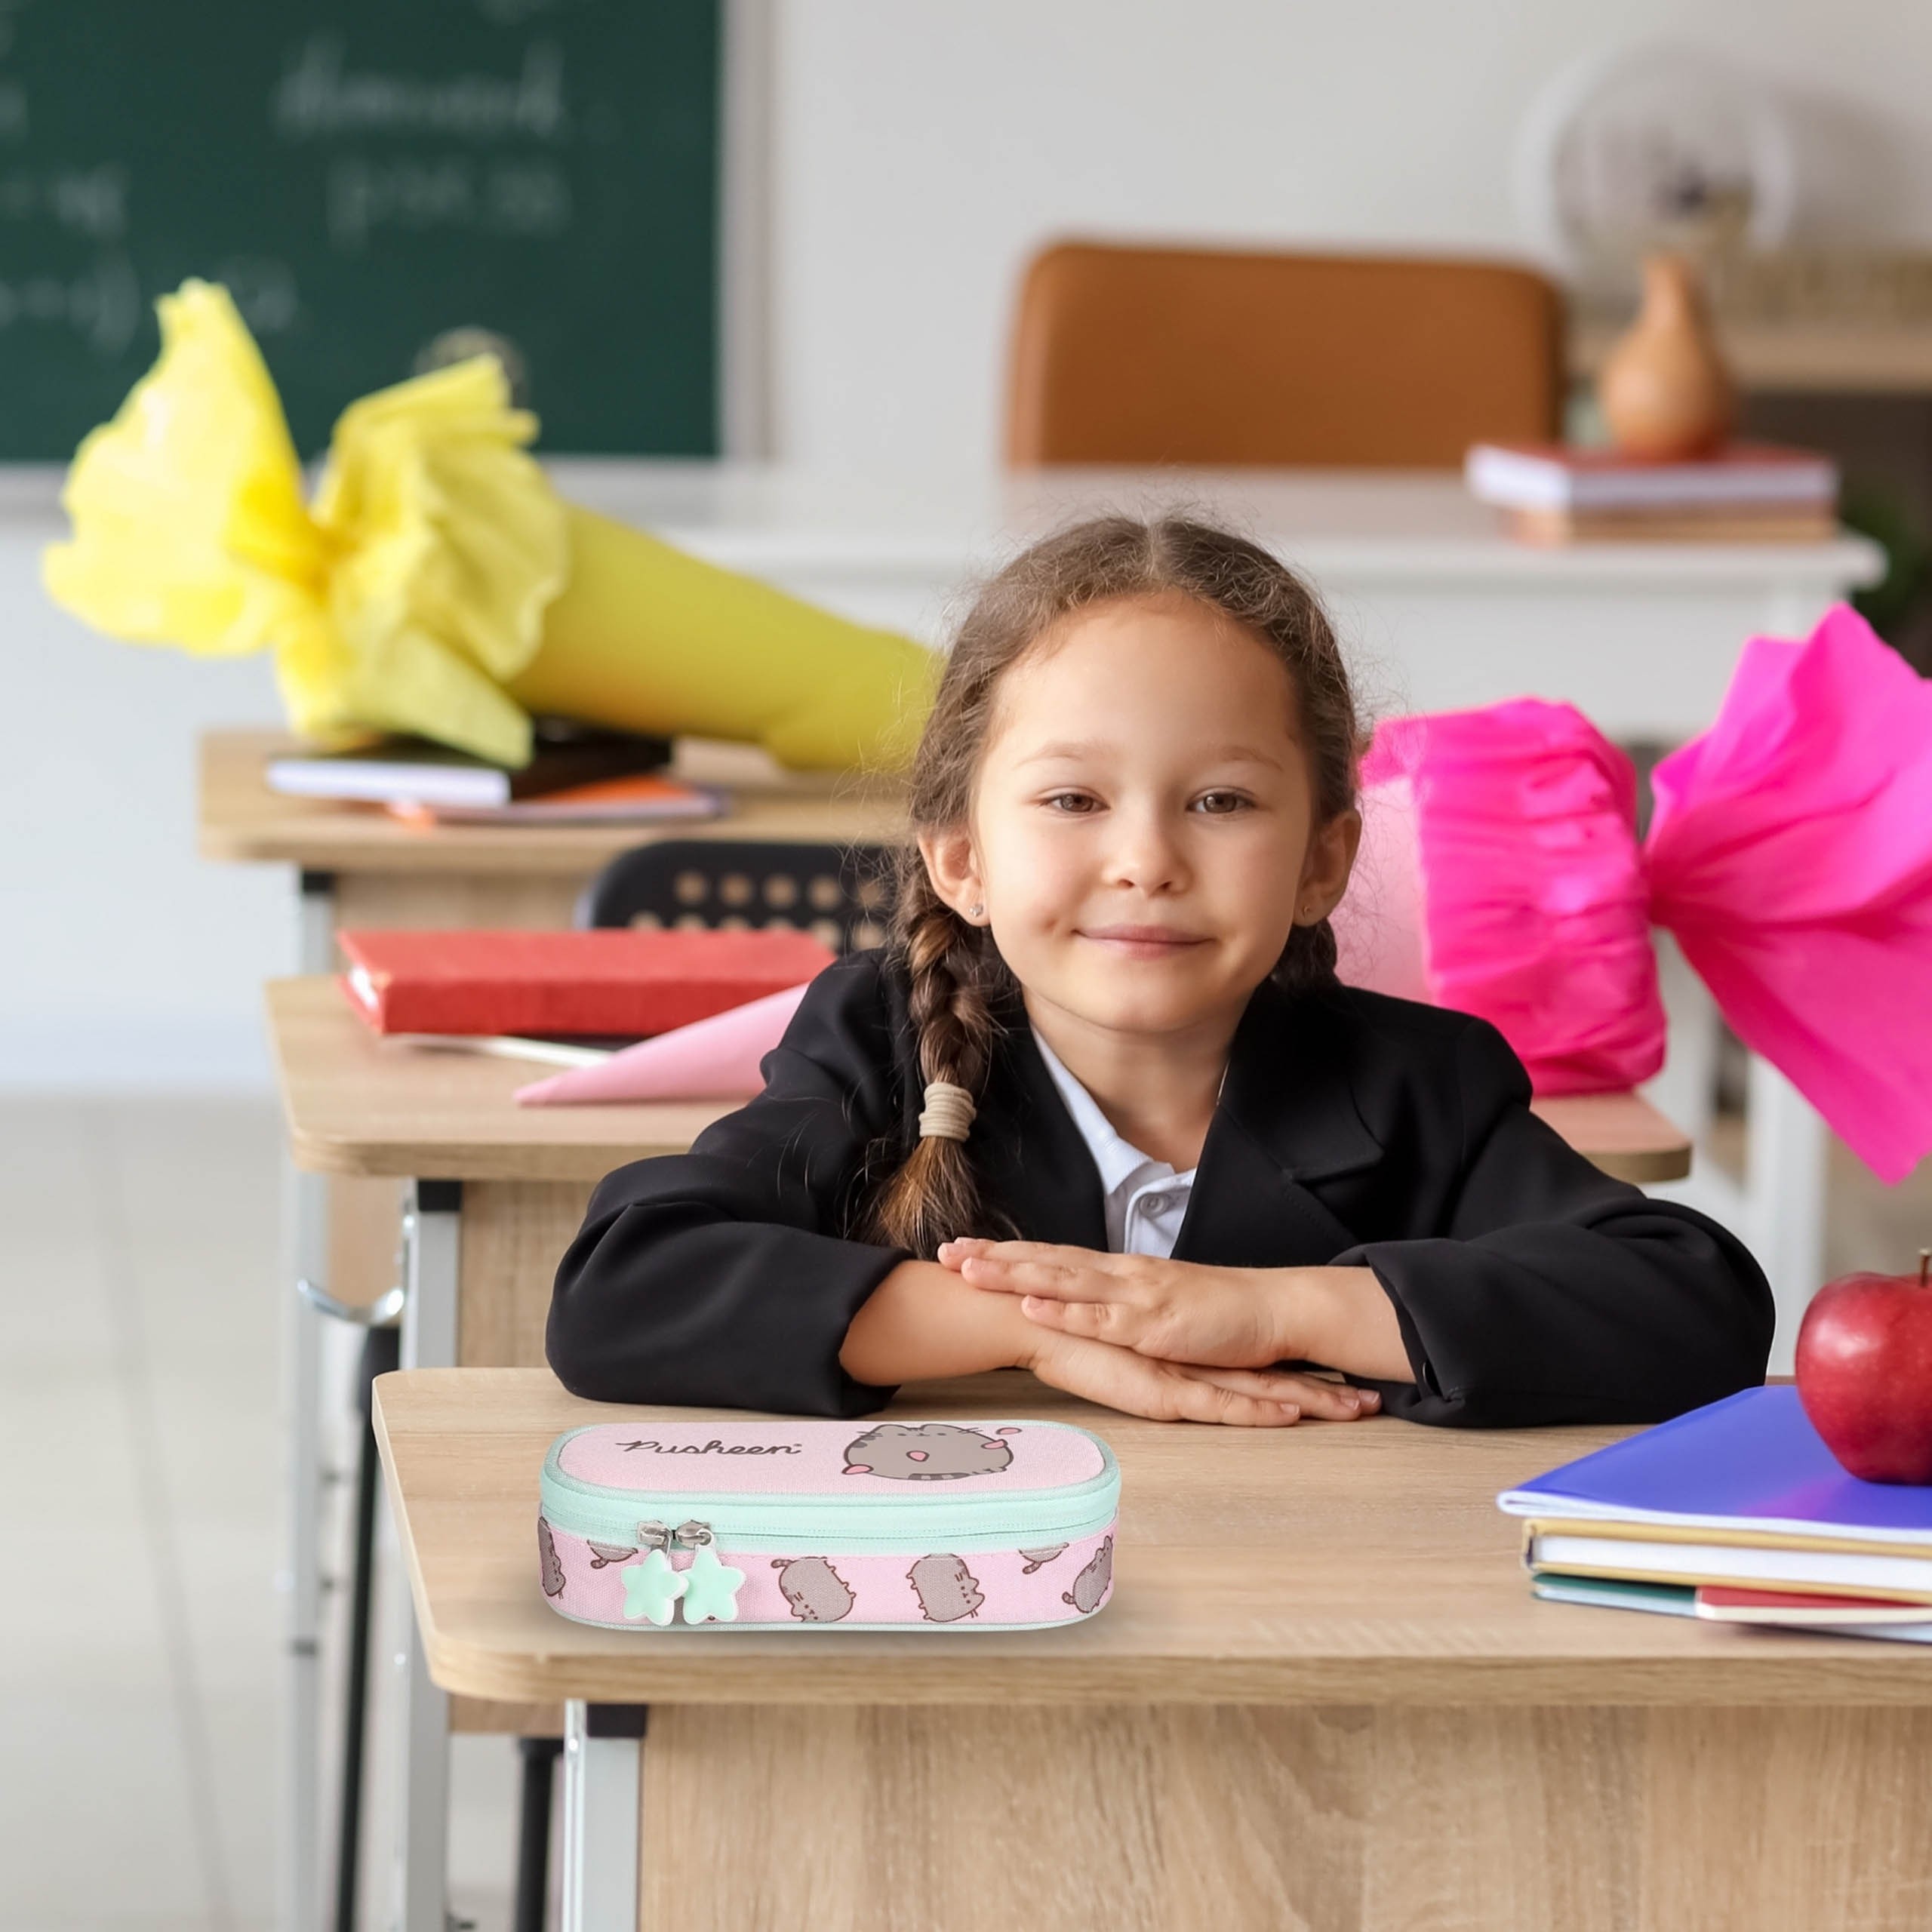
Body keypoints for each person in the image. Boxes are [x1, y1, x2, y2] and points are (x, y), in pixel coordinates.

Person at [547, 515, 1772, 1428]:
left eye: (1223, 801)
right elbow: (624, 1283)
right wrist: (1031, 1337)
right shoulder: (878, 1044)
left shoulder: (1419, 1085)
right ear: (963, 859)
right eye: (1074, 798)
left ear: (1322, 859)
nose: (1146, 861)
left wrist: (1273, 1311)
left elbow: (1697, 1305)